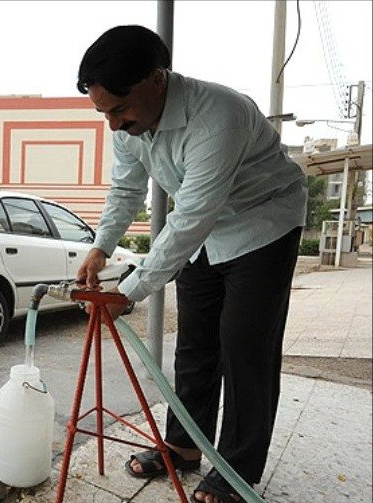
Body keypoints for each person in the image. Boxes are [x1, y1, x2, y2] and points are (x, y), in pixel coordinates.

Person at [75, 26, 307, 503]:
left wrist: (130, 290)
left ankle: (236, 469)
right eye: (104, 113)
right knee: (195, 344)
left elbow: (192, 215)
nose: (114, 124)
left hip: (263, 223)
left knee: (245, 346)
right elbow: (126, 189)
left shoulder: (219, 114)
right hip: (205, 234)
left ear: (157, 79)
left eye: (119, 109)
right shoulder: (128, 126)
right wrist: (101, 246)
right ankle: (183, 447)